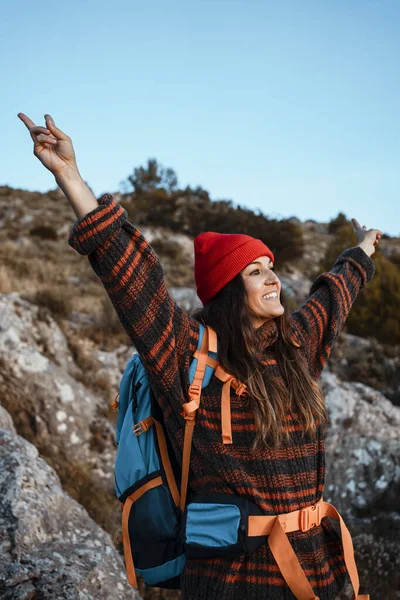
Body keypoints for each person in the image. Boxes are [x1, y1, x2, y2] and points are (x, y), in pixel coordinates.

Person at [18, 112, 382, 600]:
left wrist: (359, 253)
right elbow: (131, 280)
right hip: (230, 584)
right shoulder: (186, 354)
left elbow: (334, 297)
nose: (273, 279)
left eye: (270, 266)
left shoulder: (297, 345)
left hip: (317, 574)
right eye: (254, 272)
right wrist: (71, 179)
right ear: (229, 292)